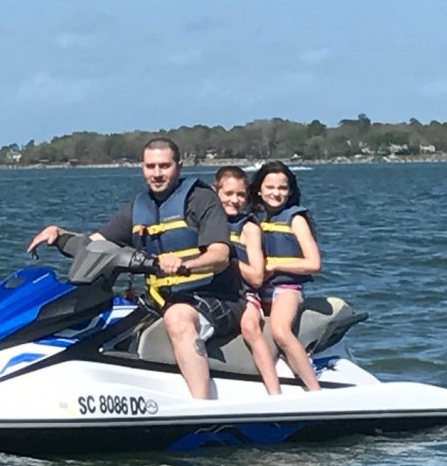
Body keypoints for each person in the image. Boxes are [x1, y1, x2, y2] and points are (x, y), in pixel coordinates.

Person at [27, 138, 244, 399]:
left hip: (216, 298)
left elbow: (220, 256)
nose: (157, 173)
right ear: (142, 168)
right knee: (110, 317)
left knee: (178, 317)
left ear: (179, 166)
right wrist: (60, 235)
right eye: (150, 166)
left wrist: (184, 264)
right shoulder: (138, 208)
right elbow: (95, 244)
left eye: (164, 166)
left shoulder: (201, 199)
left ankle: (202, 405)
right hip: (161, 298)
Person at [249, 161, 322, 391]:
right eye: (270, 187)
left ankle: (315, 389)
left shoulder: (296, 219)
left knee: (280, 331)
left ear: (290, 191)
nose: (276, 193)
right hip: (257, 291)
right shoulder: (251, 220)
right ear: (259, 190)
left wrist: (275, 265)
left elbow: (313, 263)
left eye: (282, 188)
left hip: (286, 290)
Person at [213, 166, 281, 395]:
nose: (235, 200)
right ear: (216, 192)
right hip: (212, 292)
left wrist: (230, 261)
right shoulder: (206, 222)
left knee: (250, 328)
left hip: (243, 294)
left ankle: (274, 389)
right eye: (228, 193)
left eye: (241, 195)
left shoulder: (249, 228)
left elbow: (257, 276)